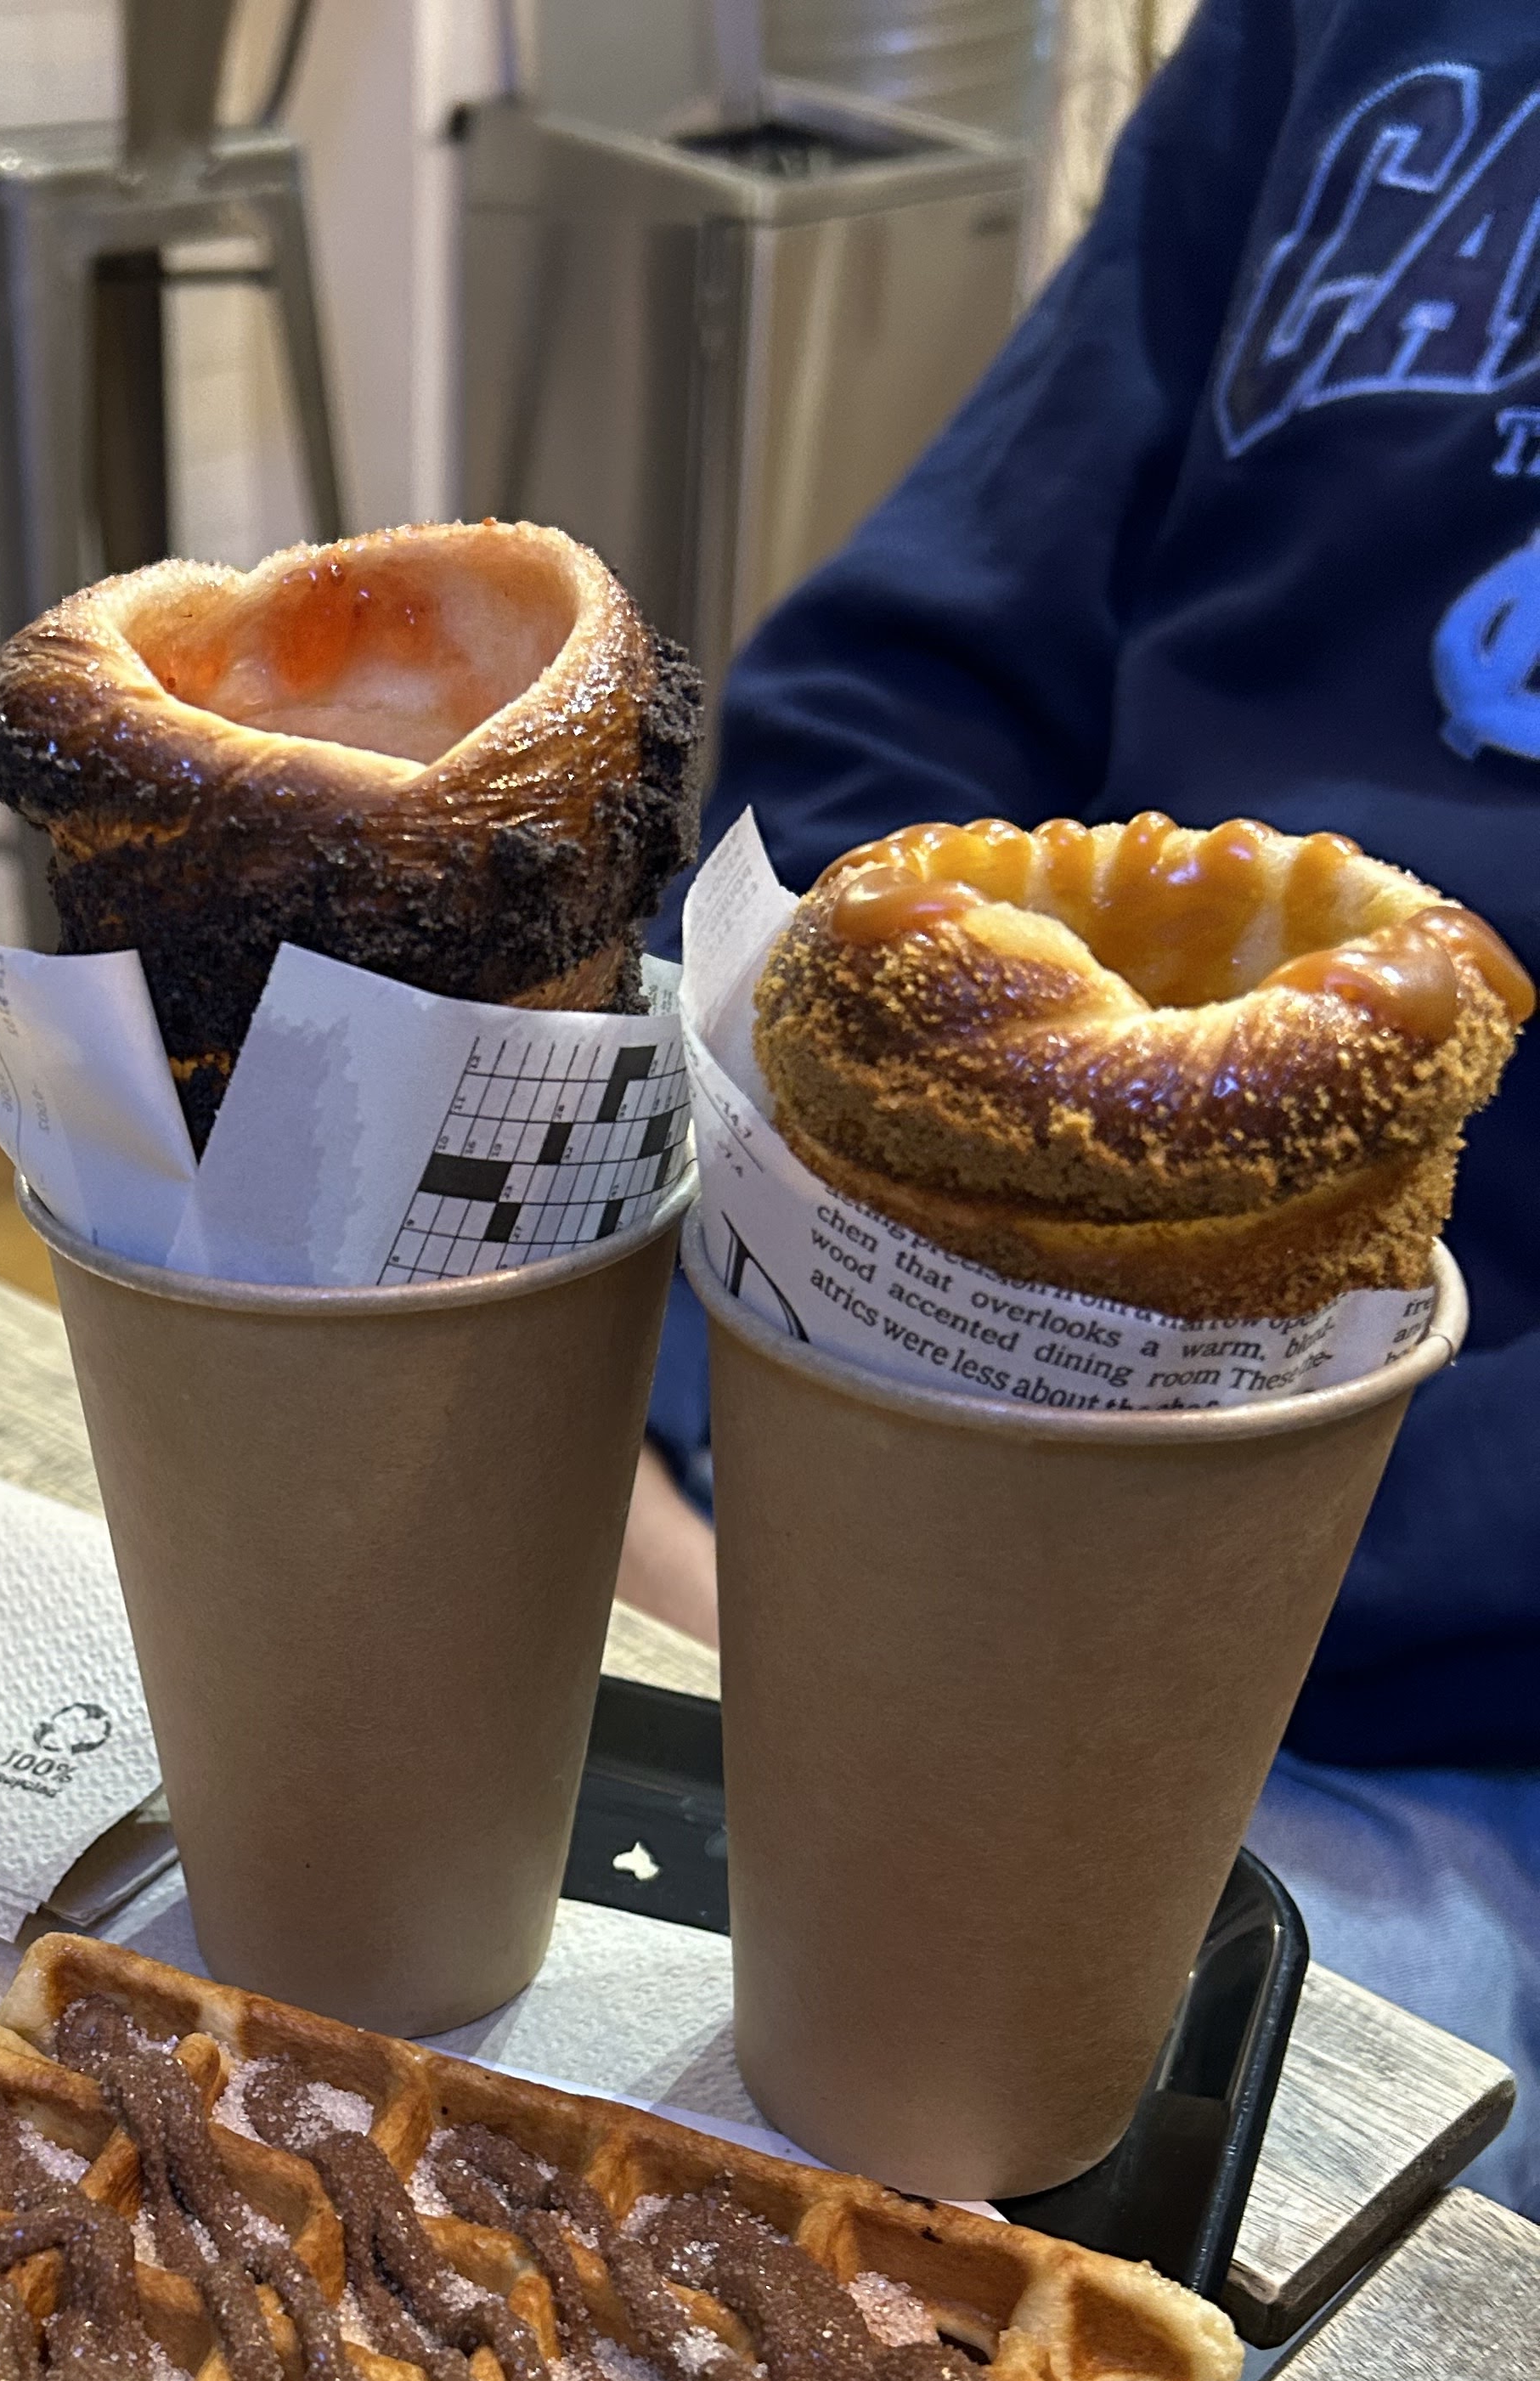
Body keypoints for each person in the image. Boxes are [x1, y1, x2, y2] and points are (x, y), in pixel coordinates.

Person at [630, 0, 1540, 2209]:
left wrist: (1110, 1575)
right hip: (832, 1430)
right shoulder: (1356, 32)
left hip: (1428, 1705)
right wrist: (727, 1413)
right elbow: (888, 699)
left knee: (947, 2235)